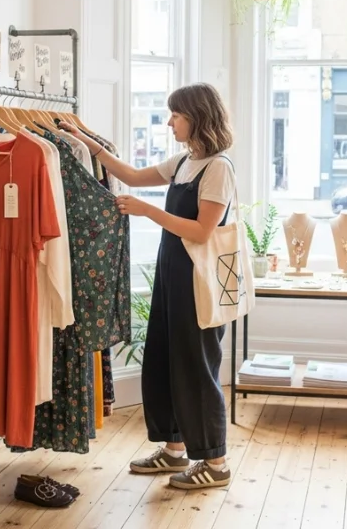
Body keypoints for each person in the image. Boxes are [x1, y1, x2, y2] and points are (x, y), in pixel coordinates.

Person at [61, 82, 236, 490]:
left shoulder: (218, 167)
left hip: (197, 282)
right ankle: (175, 451)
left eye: (176, 114)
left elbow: (202, 230)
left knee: (196, 370)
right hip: (172, 276)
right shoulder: (184, 162)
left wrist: (147, 212)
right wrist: (84, 142)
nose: (170, 120)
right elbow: (133, 175)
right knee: (164, 360)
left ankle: (217, 462)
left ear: (198, 117)